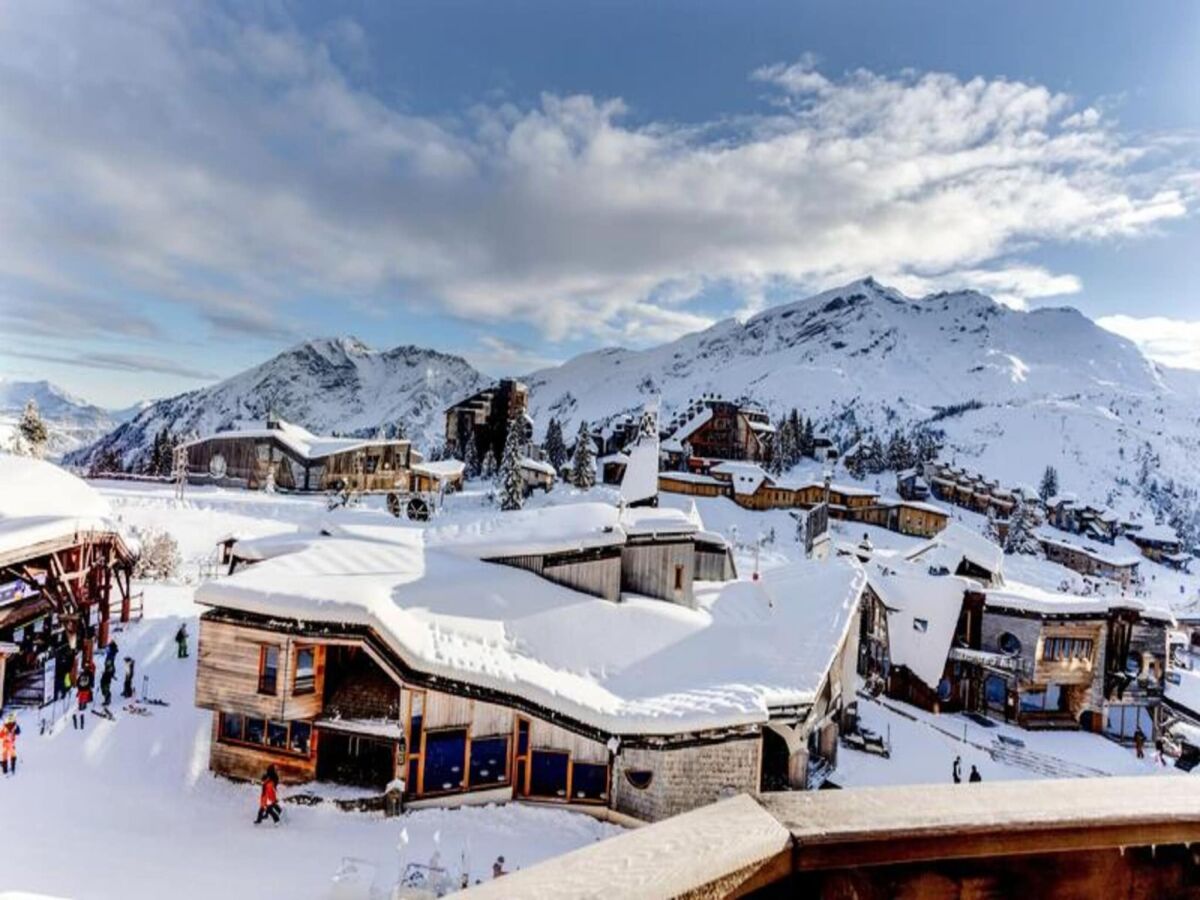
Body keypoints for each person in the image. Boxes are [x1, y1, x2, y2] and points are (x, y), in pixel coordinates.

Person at [74, 663, 94, 730]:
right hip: (86, 688)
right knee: (84, 697)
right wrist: (91, 686)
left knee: (80, 697)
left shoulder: (82, 674)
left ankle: (80, 705)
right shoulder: (90, 673)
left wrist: (78, 686)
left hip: (80, 689)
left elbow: (78, 681)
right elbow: (91, 680)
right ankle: (84, 705)